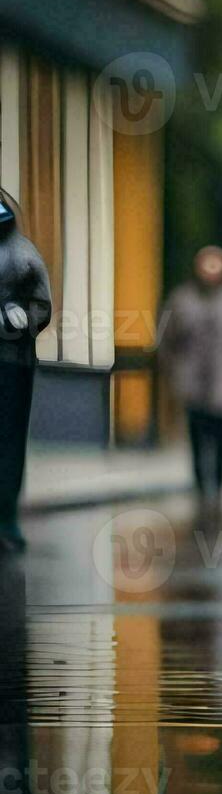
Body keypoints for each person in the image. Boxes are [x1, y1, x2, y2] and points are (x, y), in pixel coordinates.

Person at [158, 246, 222, 513]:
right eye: (206, 265)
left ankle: (219, 487)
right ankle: (200, 486)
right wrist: (173, 370)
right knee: (197, 436)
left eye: (216, 265)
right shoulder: (180, 300)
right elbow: (167, 340)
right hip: (191, 384)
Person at [0, 190, 52, 551]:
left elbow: (41, 307)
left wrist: (12, 322)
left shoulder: (23, 255)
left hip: (11, 364)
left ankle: (6, 518)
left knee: (9, 441)